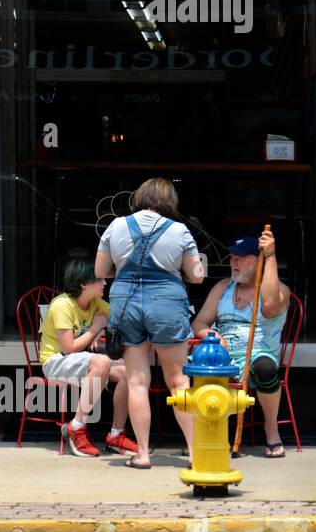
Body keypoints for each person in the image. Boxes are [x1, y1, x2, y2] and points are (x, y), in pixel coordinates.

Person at [95, 177, 206, 469]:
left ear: (140, 197)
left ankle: (143, 454)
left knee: (136, 381)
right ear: (169, 202)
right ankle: (196, 452)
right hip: (167, 303)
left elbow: (100, 270)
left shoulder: (116, 226)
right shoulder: (180, 230)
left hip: (125, 302)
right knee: (178, 380)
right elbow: (196, 276)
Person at [190, 230, 290, 457]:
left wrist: (271, 256)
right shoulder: (222, 287)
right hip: (224, 356)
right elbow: (200, 322)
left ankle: (271, 430)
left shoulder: (279, 291)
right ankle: (213, 434)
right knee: (200, 368)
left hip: (258, 355)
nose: (233, 263)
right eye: (231, 257)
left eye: (240, 258)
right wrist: (213, 337)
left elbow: (270, 304)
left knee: (266, 368)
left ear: (259, 261)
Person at [38, 258, 139, 457]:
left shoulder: (95, 303)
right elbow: (70, 347)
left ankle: (116, 435)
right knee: (101, 361)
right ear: (83, 284)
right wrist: (94, 329)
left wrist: (101, 332)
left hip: (80, 361)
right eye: (99, 280)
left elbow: (119, 322)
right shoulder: (62, 305)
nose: (105, 283)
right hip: (56, 361)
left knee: (129, 372)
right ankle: (76, 427)